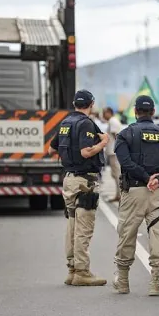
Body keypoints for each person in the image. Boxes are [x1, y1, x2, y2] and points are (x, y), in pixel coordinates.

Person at [112, 95, 159, 296]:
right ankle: (155, 283)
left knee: (127, 233)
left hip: (133, 192)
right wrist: (157, 178)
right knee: (157, 233)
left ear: (135, 111)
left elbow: (124, 162)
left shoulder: (126, 134)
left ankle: (123, 281)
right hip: (157, 193)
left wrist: (144, 176)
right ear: (152, 112)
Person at [48, 89, 108, 286]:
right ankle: (82, 271)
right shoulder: (86, 124)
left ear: (74, 104)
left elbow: (51, 148)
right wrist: (103, 144)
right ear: (91, 104)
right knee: (84, 227)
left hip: (69, 179)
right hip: (84, 181)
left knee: (72, 225)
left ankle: (72, 269)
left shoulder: (65, 123)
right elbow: (86, 152)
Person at [102, 107, 123, 202]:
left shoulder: (113, 121)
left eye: (104, 113)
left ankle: (121, 195)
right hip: (113, 152)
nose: (103, 115)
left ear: (108, 112)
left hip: (114, 152)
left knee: (117, 174)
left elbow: (116, 137)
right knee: (114, 174)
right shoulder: (112, 121)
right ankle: (118, 195)